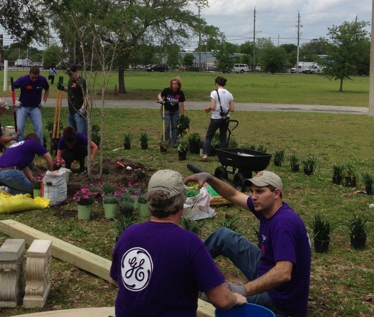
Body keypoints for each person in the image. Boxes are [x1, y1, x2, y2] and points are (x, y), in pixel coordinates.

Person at [110, 169, 246, 316]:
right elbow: (222, 300)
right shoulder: (189, 243)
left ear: (150, 202)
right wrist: (235, 298)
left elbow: (118, 279)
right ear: (182, 203)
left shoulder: (129, 234)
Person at [184, 170, 311, 317]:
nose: (254, 197)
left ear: (276, 193)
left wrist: (242, 290)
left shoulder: (283, 224)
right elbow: (233, 195)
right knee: (223, 236)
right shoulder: (268, 208)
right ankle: (183, 269)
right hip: (267, 267)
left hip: (279, 299)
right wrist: (210, 178)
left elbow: (283, 273)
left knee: (212, 297)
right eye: (252, 191)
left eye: (259, 191)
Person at [10, 65, 50, 145]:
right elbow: (11, 87)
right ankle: (18, 146)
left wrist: (44, 101)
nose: (34, 79)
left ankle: (39, 148)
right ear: (29, 74)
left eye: (36, 78)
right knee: (19, 128)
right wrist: (14, 101)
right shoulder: (23, 79)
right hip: (22, 107)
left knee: (39, 128)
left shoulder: (42, 80)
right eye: (32, 77)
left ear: (38, 75)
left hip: (35, 107)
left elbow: (47, 89)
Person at [200, 76, 234, 162]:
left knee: (209, 136)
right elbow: (232, 109)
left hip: (216, 118)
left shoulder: (214, 93)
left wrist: (208, 108)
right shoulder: (229, 94)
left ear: (217, 84)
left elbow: (213, 106)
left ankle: (205, 155)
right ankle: (222, 157)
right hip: (226, 118)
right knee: (223, 137)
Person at [57, 64, 88, 135]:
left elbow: (86, 96)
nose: (70, 76)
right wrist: (63, 88)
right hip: (71, 112)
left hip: (79, 112)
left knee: (81, 134)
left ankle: (83, 146)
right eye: (68, 74)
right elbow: (72, 90)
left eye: (71, 74)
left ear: (76, 71)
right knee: (70, 134)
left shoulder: (81, 81)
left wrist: (83, 108)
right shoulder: (70, 81)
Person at [157, 77, 186, 148]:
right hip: (166, 110)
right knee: (166, 127)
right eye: (173, 84)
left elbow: (181, 105)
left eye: (176, 84)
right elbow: (159, 95)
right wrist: (160, 99)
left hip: (175, 111)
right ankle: (166, 142)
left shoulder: (180, 93)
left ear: (178, 85)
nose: (174, 85)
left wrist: (182, 116)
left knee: (175, 127)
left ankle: (174, 142)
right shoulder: (167, 90)